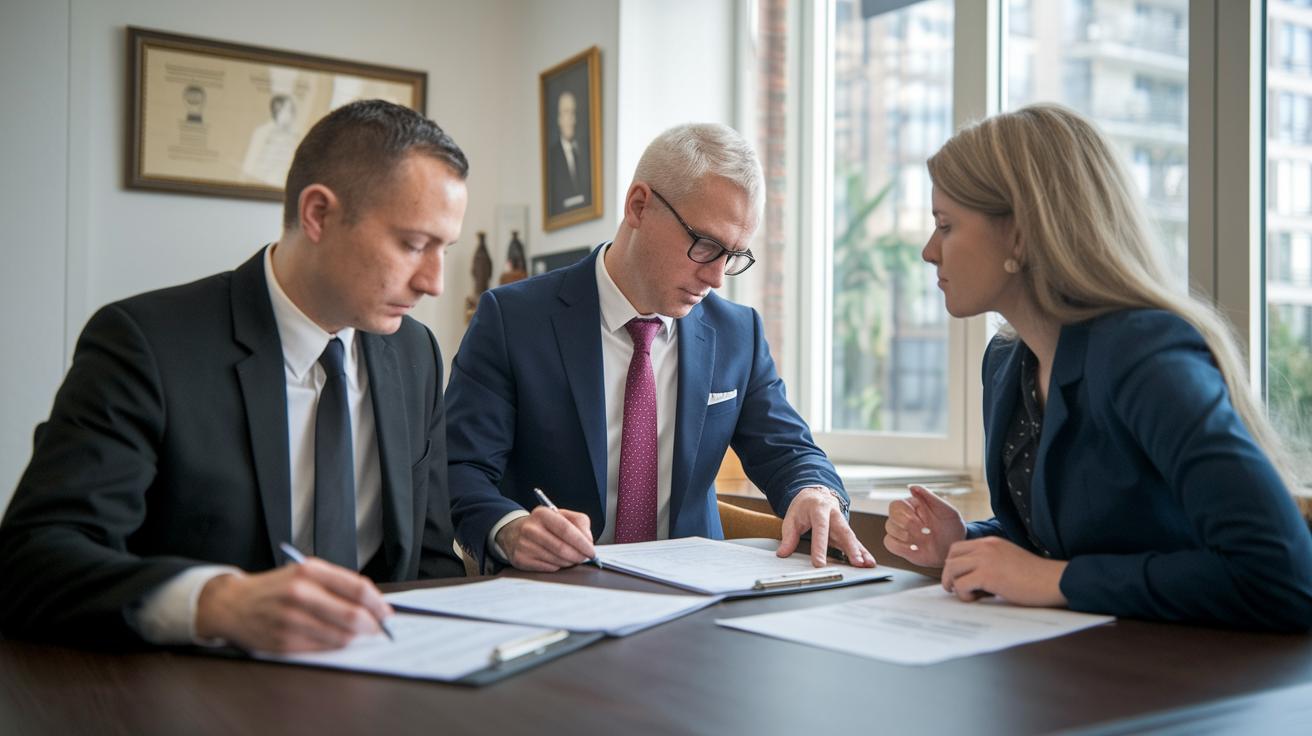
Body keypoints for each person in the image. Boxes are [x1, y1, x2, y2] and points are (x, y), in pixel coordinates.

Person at [0, 99, 469, 650]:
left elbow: (430, 561)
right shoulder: (146, 343)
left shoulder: (415, 352)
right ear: (317, 214)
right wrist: (217, 602)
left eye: (446, 249)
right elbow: (33, 560)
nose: (434, 282)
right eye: (414, 245)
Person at [882, 103, 1312, 631]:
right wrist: (967, 543)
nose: (929, 251)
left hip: (1198, 680)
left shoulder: (1145, 355)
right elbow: (1072, 535)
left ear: (1020, 234)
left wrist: (1054, 582)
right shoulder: (1006, 364)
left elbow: (1284, 574)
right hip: (1081, 667)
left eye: (946, 225)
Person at [447, 123, 875, 574]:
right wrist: (510, 528)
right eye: (706, 245)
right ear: (639, 206)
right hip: (555, 592)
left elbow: (789, 449)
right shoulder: (513, 319)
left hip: (696, 599)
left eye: (733, 256)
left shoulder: (737, 333)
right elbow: (460, 469)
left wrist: (814, 491)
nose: (716, 279)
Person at [547, 90, 590, 214]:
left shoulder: (584, 153)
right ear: (559, 118)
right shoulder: (552, 157)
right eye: (566, 112)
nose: (571, 118)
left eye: (573, 112)